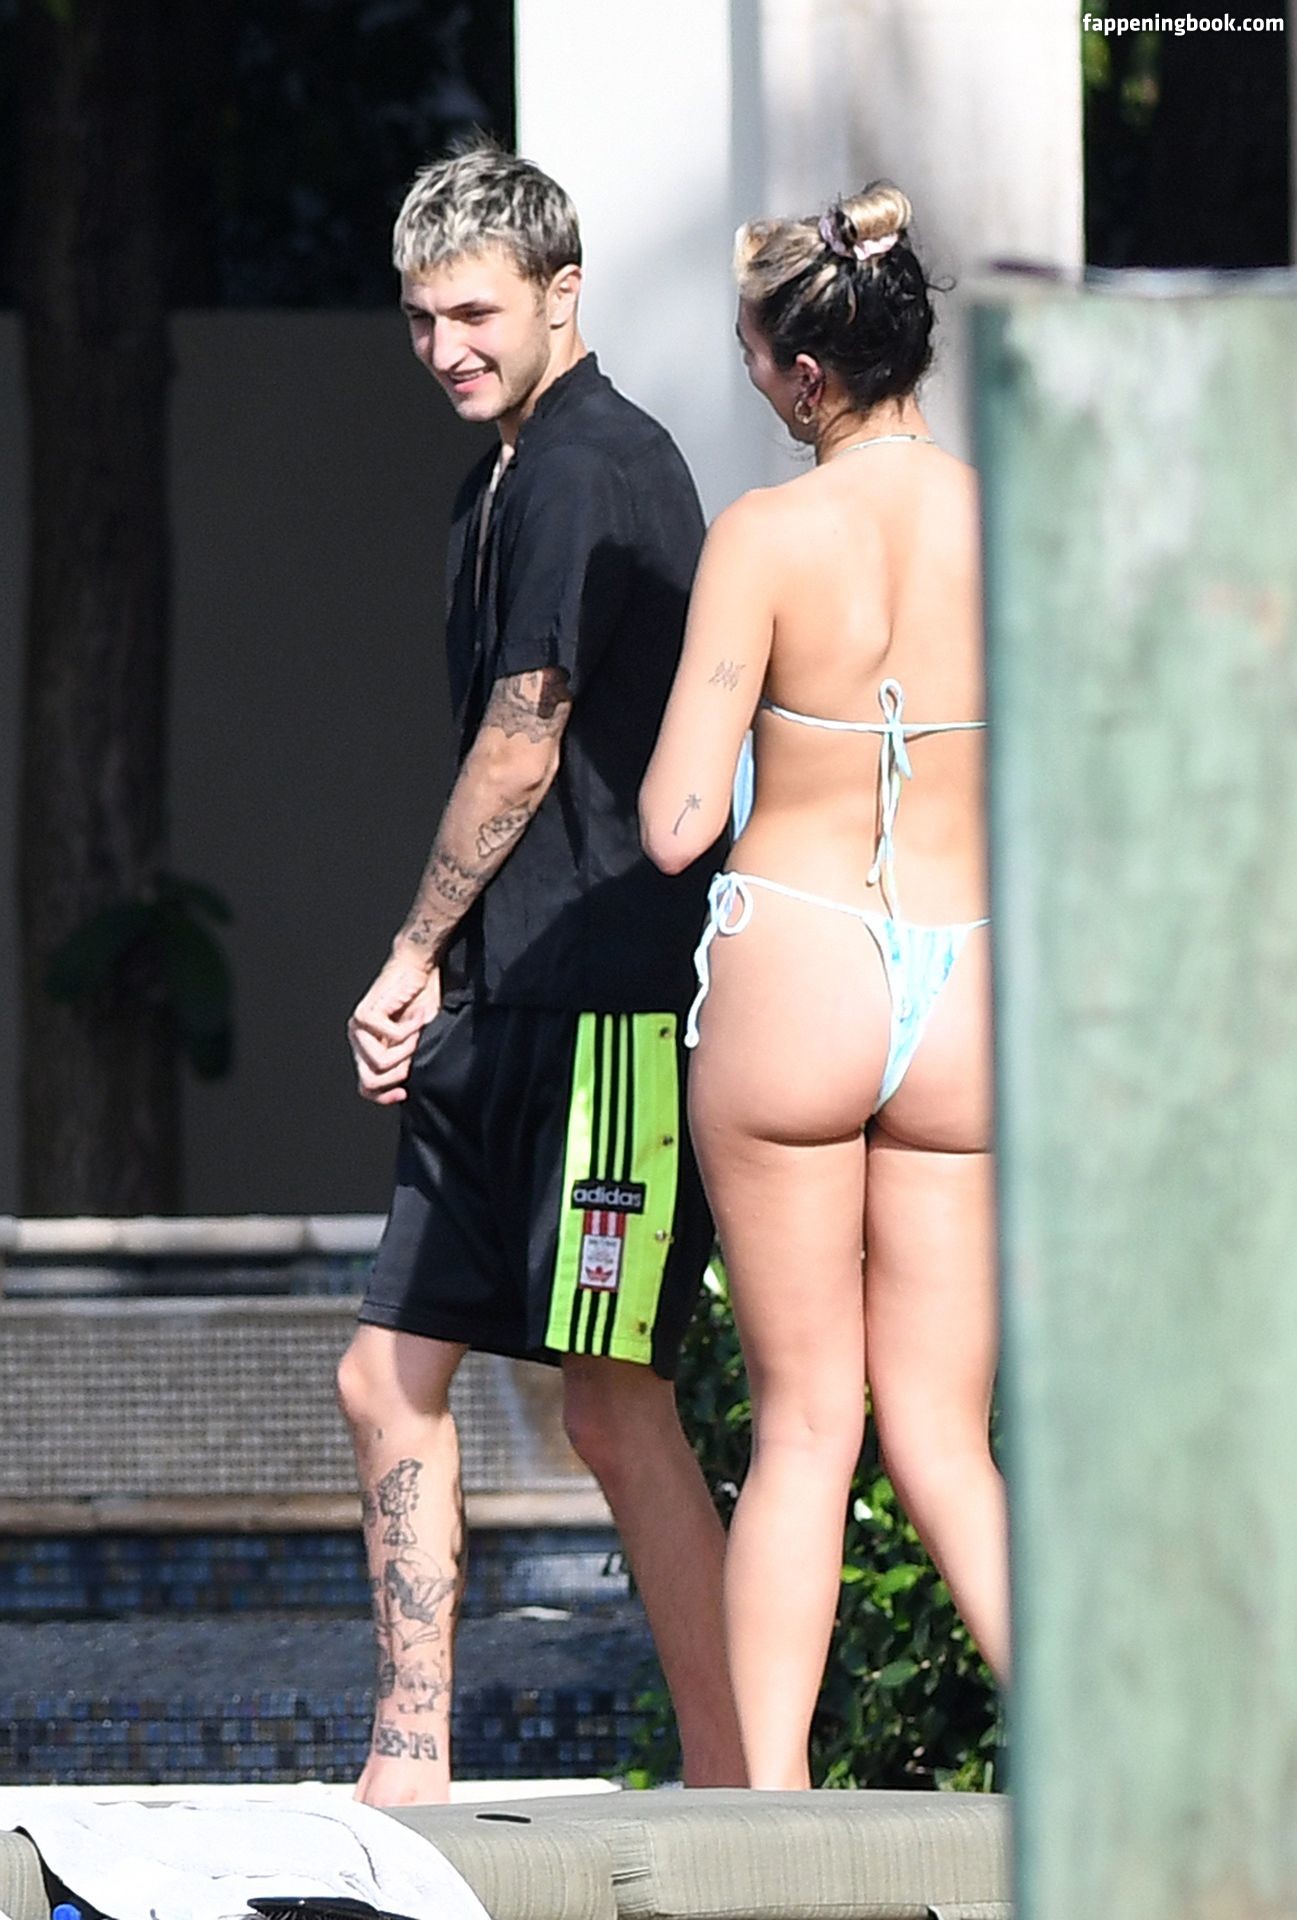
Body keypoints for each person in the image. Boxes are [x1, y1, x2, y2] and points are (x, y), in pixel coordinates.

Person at [338, 139, 743, 1806]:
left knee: (615, 1409)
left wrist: (405, 951)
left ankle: (742, 1795)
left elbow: (524, 738)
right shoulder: (496, 479)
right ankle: (408, 1763)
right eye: (420, 317)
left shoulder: (591, 465)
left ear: (562, 295)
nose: (443, 346)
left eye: (475, 314)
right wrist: (445, 975)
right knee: (383, 1377)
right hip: (504, 1003)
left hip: (612, 1012)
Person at [639, 182, 1008, 1789]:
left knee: (804, 1423)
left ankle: (776, 1825)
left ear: (805, 377)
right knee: (946, 1439)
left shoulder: (765, 536)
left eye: (748, 355)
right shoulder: (1009, 517)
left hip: (799, 961)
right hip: (968, 980)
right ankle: (1106, 1778)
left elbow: (674, 822)